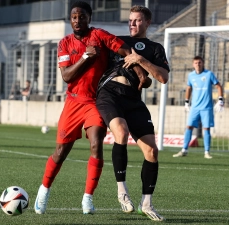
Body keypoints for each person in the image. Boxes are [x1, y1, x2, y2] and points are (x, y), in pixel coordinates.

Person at [34, 1, 147, 215]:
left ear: (90, 18)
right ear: (70, 19)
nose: (78, 20)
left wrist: (140, 71)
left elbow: (124, 50)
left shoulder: (100, 35)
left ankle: (87, 198)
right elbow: (67, 76)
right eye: (74, 17)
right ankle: (44, 190)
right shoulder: (64, 43)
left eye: (82, 16)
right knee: (60, 152)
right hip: (74, 101)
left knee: (96, 145)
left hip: (96, 102)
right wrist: (87, 56)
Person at [95, 5, 169, 222]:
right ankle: (122, 191)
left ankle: (146, 203)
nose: (132, 24)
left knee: (152, 152)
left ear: (147, 23)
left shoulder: (155, 48)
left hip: (133, 100)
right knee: (121, 131)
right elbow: (94, 42)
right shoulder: (117, 41)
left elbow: (163, 78)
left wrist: (141, 61)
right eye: (130, 20)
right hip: (110, 93)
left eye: (137, 20)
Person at [173, 56, 224, 159]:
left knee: (206, 129)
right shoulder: (191, 76)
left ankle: (207, 152)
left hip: (207, 107)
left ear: (203, 63)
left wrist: (220, 100)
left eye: (200, 62)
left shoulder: (209, 74)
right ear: (193, 64)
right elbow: (189, 88)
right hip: (195, 107)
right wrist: (186, 102)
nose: (198, 64)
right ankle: (184, 150)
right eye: (196, 63)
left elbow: (218, 86)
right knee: (189, 127)